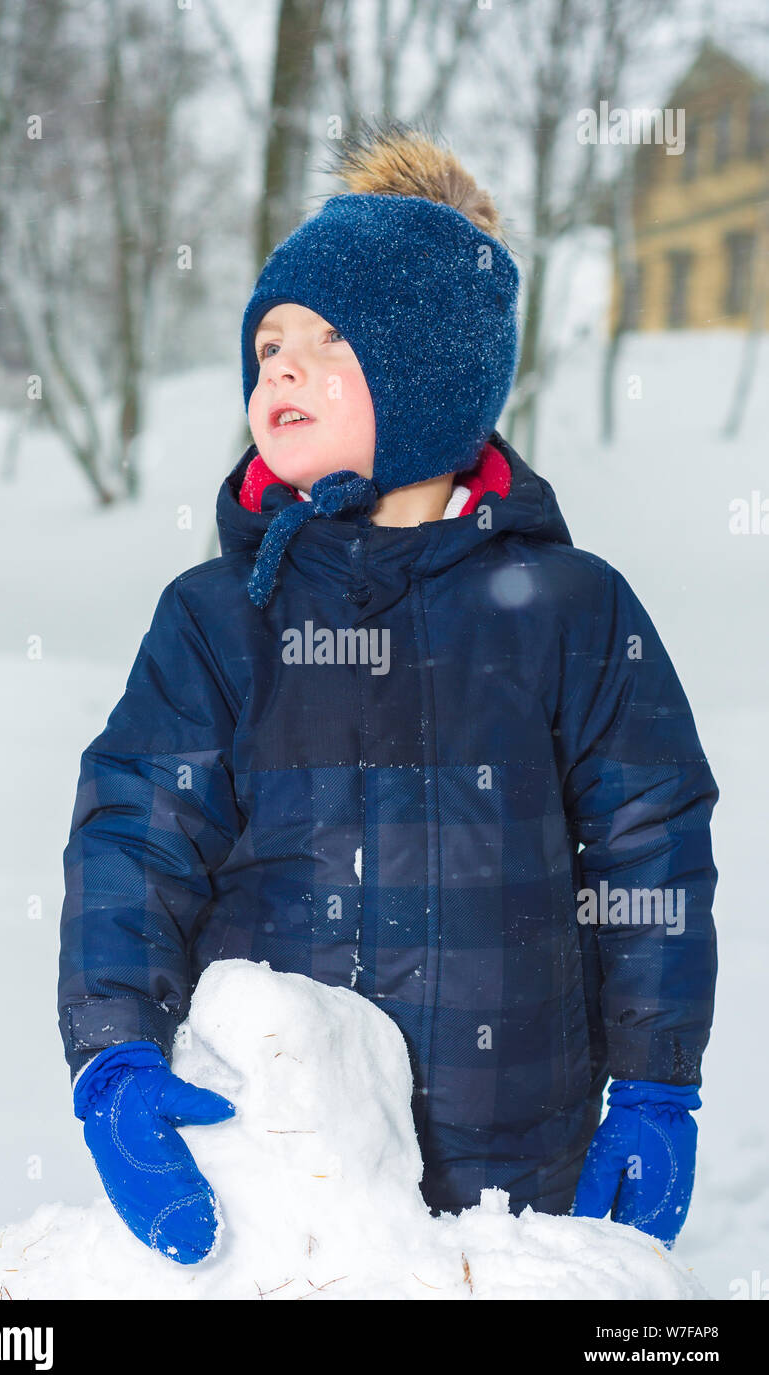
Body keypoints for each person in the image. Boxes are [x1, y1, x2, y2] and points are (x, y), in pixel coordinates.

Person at [58, 118, 719, 1266]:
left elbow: (649, 844)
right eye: (268, 345)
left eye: (327, 343)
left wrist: (657, 1082)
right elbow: (135, 834)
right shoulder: (220, 619)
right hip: (278, 1169)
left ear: (429, 378)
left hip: (516, 1186)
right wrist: (114, 1049)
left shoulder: (567, 607)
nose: (281, 369)